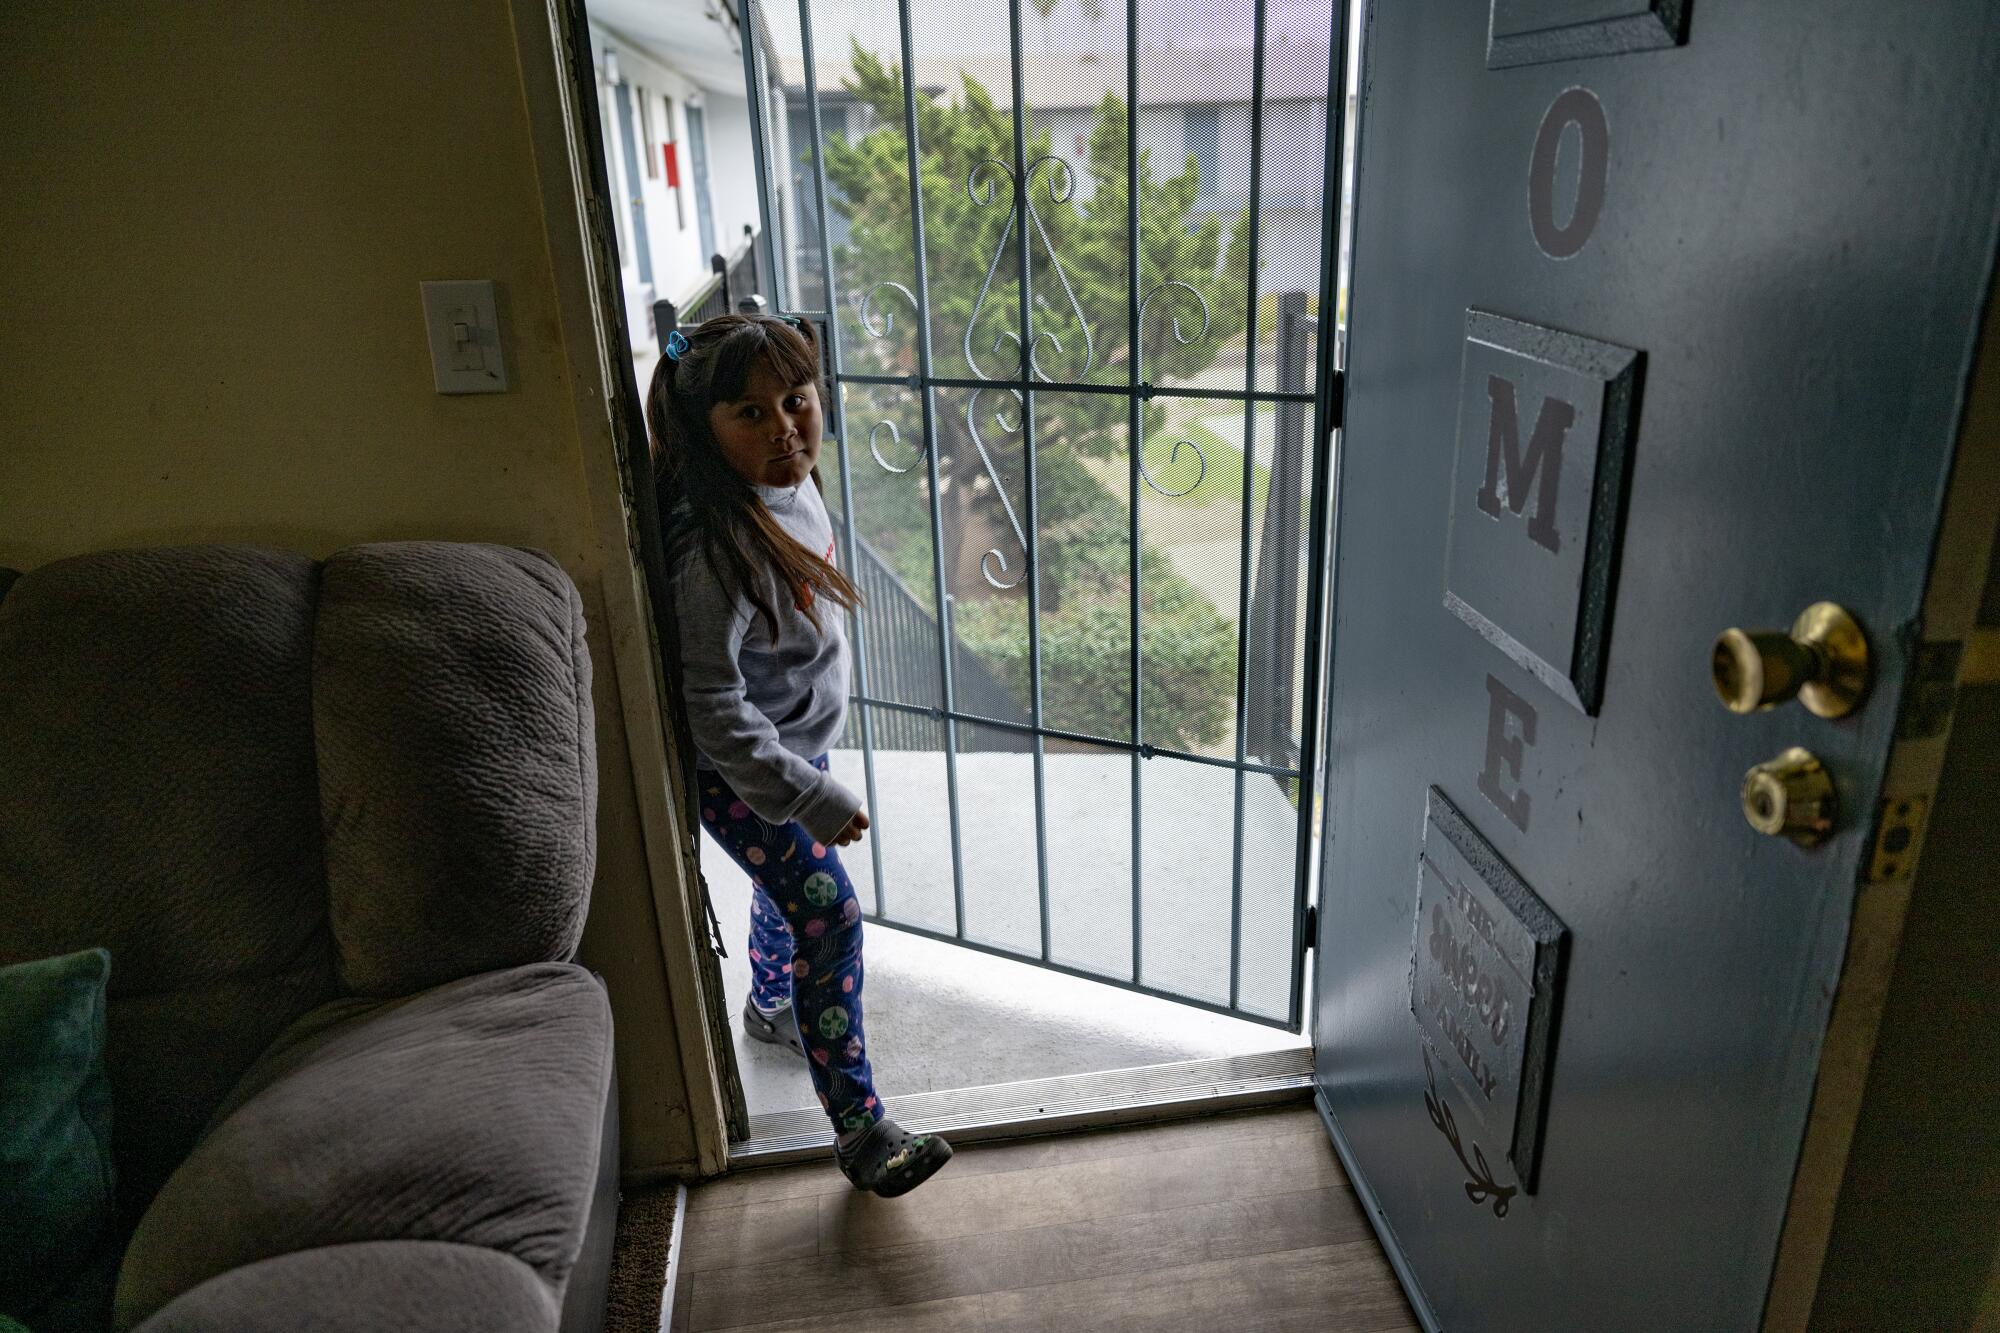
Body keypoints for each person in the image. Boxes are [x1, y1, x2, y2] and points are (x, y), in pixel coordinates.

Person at [646, 312, 952, 1198]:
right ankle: (861, 1130)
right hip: (746, 772)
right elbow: (712, 708)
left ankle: (772, 1006)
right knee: (830, 912)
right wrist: (807, 792)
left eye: (796, 399)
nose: (784, 426)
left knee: (788, 895)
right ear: (706, 430)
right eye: (751, 412)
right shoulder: (717, 551)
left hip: (791, 747)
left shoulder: (786, 485)